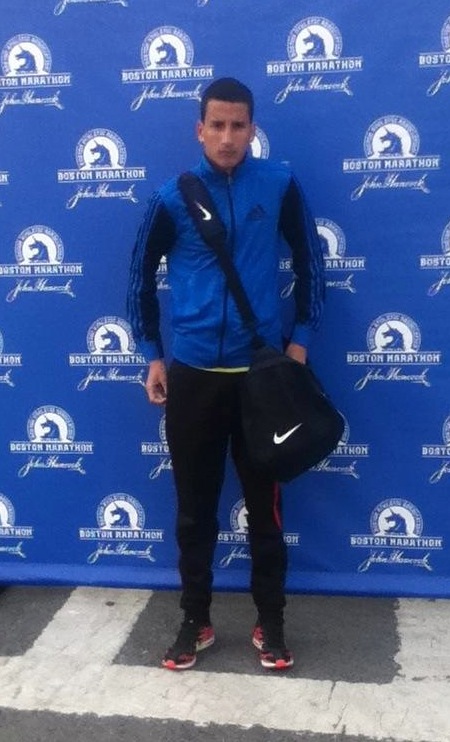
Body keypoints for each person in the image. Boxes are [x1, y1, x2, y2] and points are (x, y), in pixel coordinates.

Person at [127, 77, 324, 671]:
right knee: (195, 509)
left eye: (239, 125)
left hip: (261, 379)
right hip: (194, 376)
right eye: (217, 125)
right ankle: (196, 620)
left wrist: (300, 341)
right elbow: (139, 280)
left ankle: (271, 622)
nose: (228, 137)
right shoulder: (172, 197)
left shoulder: (279, 183)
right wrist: (153, 355)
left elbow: (310, 262)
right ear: (200, 129)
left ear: (253, 129)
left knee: (266, 509)